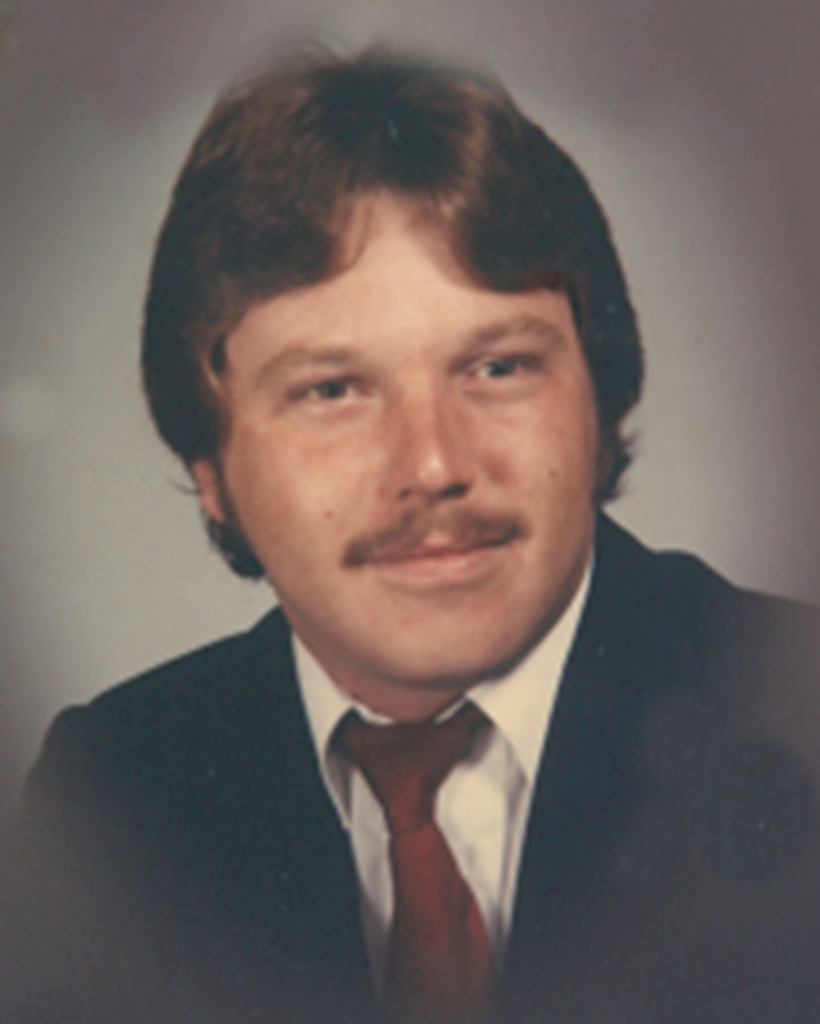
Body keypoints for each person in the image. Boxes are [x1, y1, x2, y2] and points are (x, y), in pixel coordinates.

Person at [9, 46, 820, 1024]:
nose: (432, 463)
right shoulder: (114, 790)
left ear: (601, 405)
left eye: (498, 368)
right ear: (212, 476)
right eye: (331, 390)